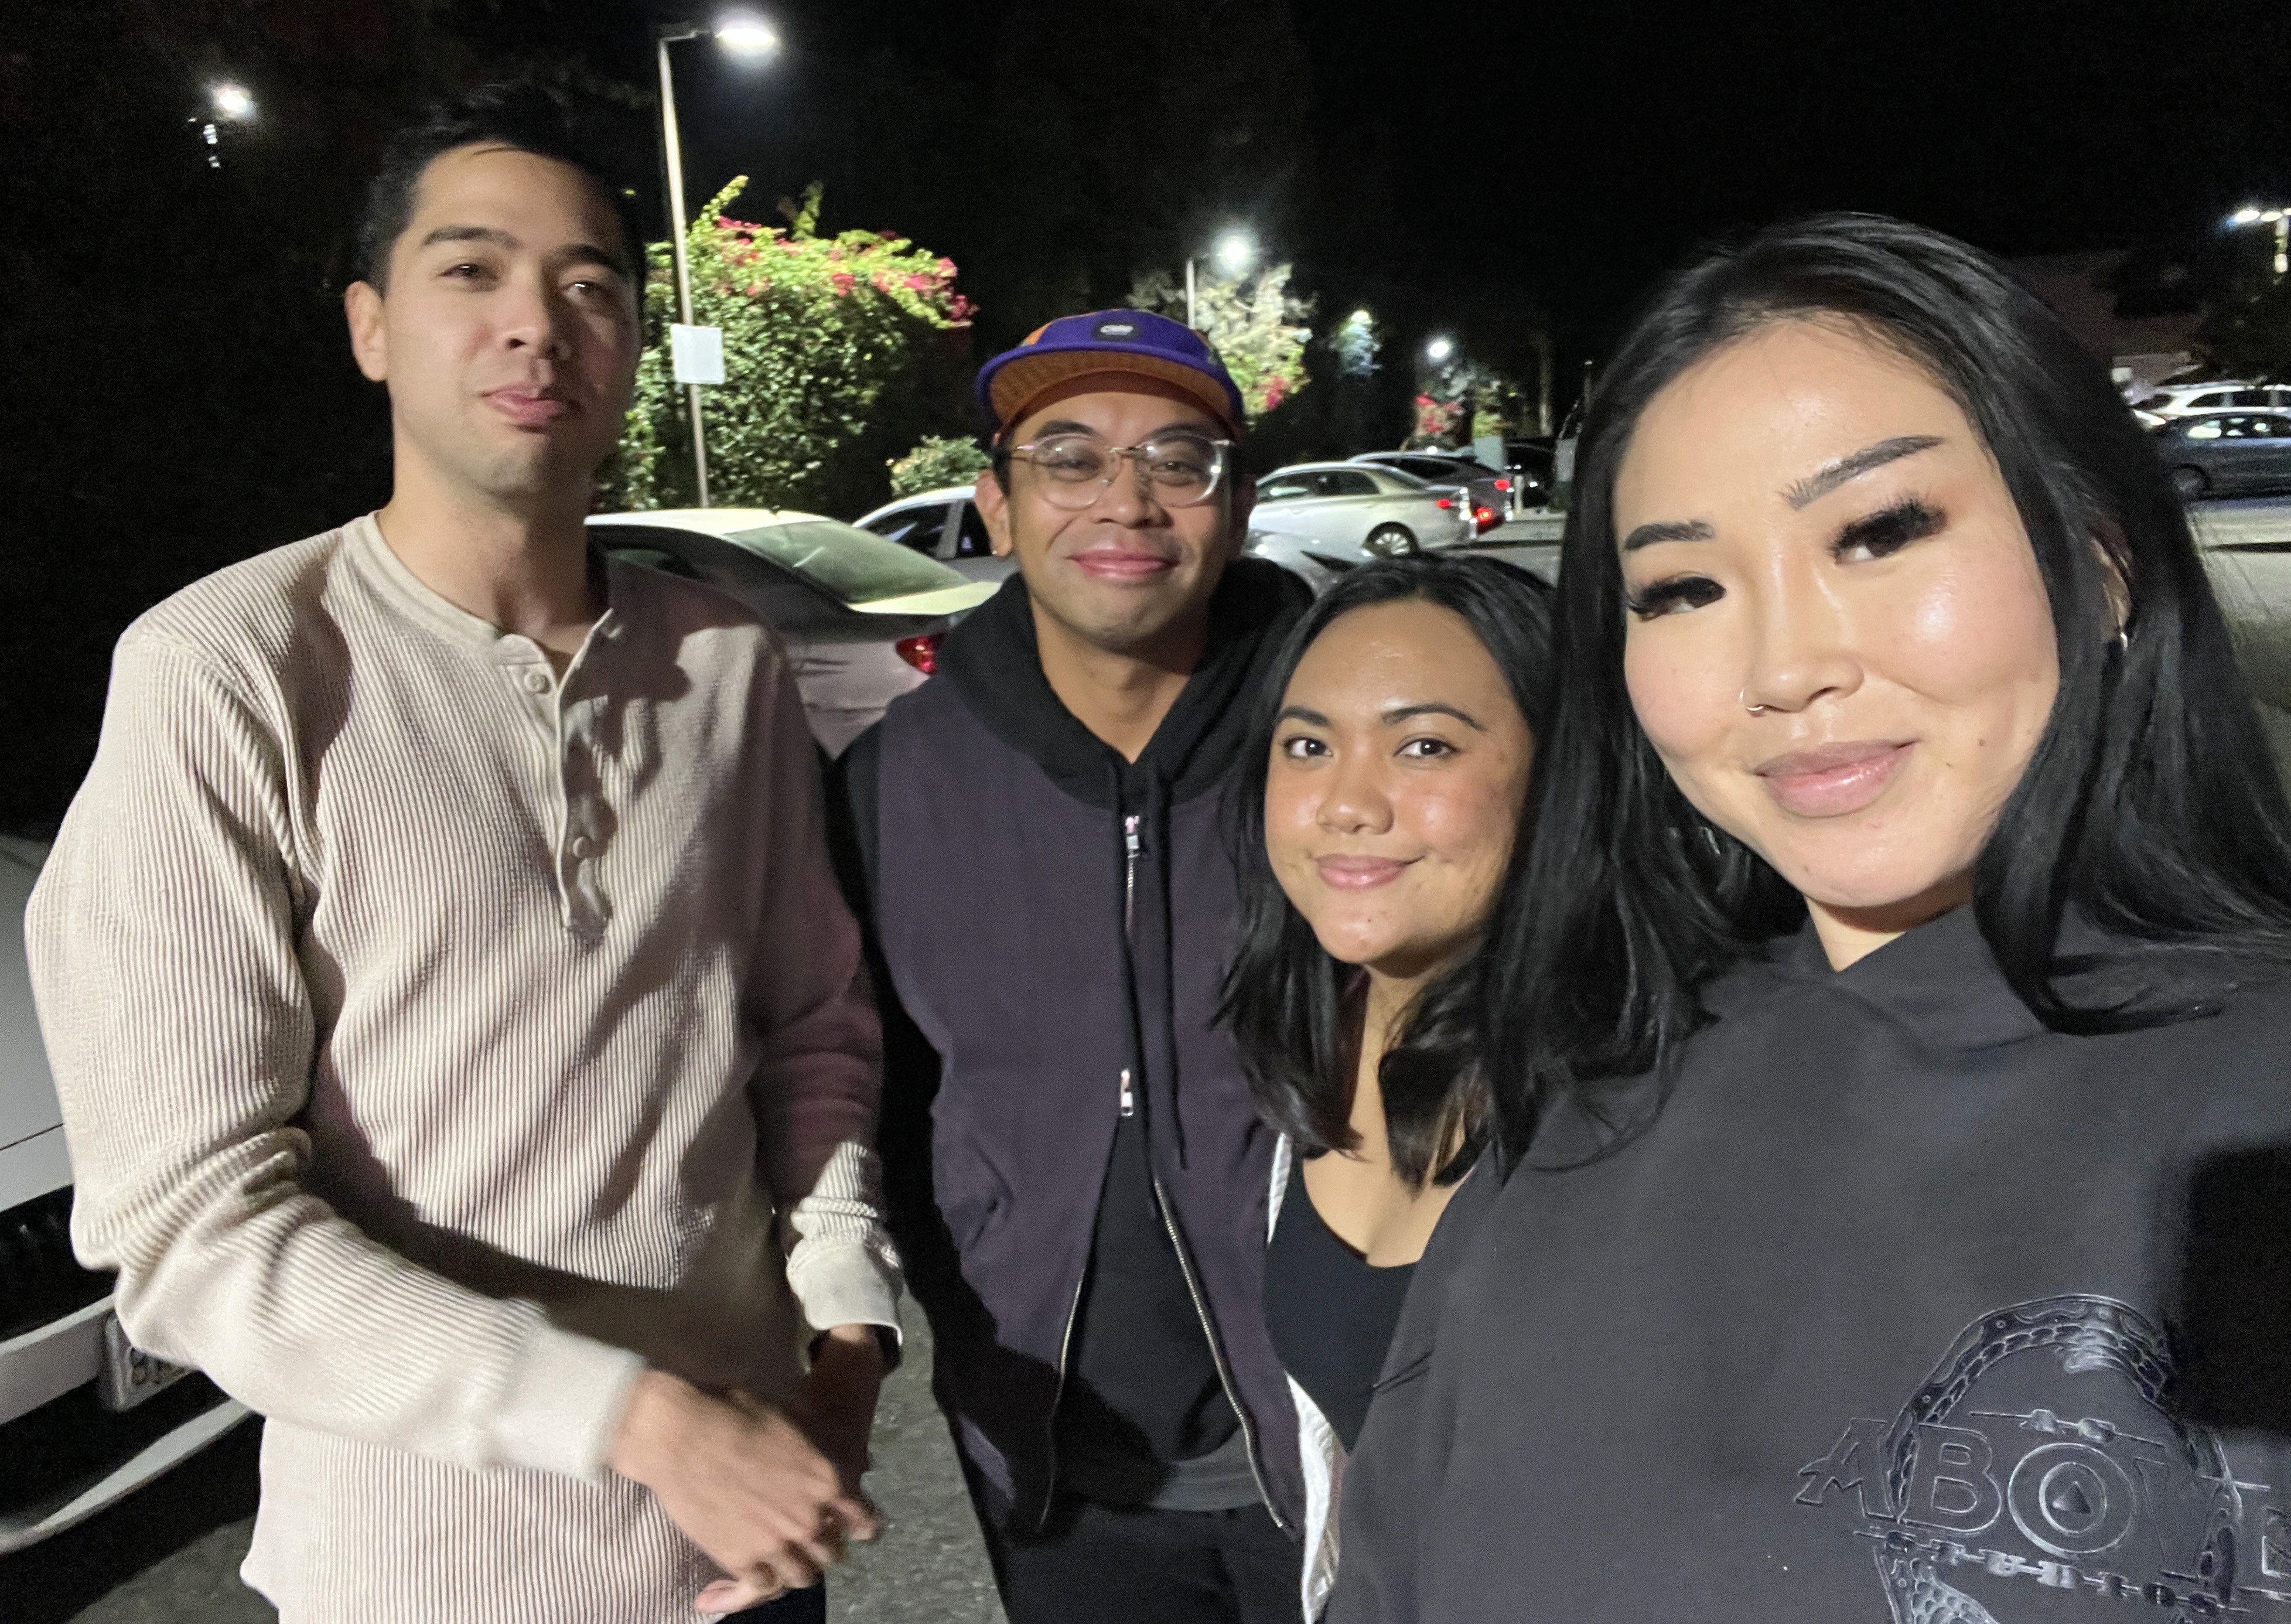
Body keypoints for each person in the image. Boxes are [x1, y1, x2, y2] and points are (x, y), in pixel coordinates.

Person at [1331, 213, 2291, 1623]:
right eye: (1683, 587)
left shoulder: (2249, 1134)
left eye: (1879, 532)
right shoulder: (1586, 1105)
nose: (1784, 668)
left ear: (2101, 558)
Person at [23, 84, 898, 1623]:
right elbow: (188, 1227)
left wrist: (844, 1330)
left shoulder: (723, 663)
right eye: (472, 270)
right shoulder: (230, 673)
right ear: (370, 326)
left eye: (589, 286)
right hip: (423, 1577)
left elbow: (807, 1029)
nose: (536, 326)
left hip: (747, 1554)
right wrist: (643, 1424)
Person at [833, 309, 1309, 1624]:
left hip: (1347, 1449)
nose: (1126, 499)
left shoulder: (1343, 747)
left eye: (1178, 459)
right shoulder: (892, 786)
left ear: (1239, 506)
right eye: (1070, 457)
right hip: (1055, 1474)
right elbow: (873, 1097)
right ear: (997, 503)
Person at [1218, 554, 1552, 1617]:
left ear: (1566, 771)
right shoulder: (1323, 1034)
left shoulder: (1650, 1095)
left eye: (1425, 747)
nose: (1346, 805)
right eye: (1309, 746)